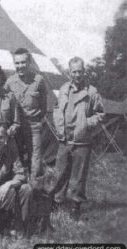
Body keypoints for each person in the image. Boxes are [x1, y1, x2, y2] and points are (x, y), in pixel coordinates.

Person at [51, 57, 105, 217]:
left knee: (79, 174)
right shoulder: (63, 89)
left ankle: (76, 204)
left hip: (82, 139)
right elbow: (57, 107)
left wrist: (86, 123)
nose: (77, 74)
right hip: (64, 139)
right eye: (74, 71)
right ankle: (57, 200)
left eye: (80, 71)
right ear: (69, 72)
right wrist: (58, 122)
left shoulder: (91, 92)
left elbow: (101, 113)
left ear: (84, 71)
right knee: (60, 171)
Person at [6, 48, 47, 186]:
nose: (20, 66)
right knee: (16, 159)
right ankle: (19, 191)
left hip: (33, 126)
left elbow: (43, 105)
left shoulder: (39, 80)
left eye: (23, 62)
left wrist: (37, 121)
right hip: (17, 126)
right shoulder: (10, 82)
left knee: (35, 161)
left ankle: (37, 194)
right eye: (17, 63)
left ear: (29, 62)